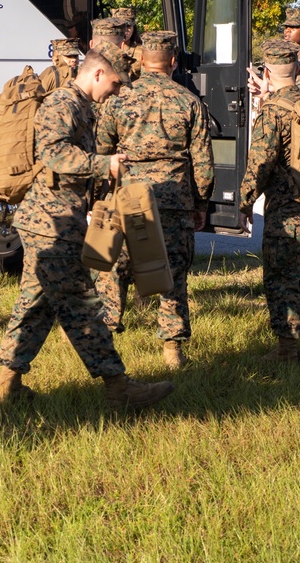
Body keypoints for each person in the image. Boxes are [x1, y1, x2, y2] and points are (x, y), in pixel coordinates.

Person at [0, 45, 175, 409]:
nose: (117, 89)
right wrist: (101, 163)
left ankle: (6, 385)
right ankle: (118, 387)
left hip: (54, 220)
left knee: (36, 305)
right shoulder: (64, 103)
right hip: (51, 224)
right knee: (82, 305)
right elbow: (53, 152)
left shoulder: (83, 107)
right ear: (95, 74)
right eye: (114, 82)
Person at [95, 31, 214, 369]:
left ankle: (104, 337)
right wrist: (201, 204)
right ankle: (172, 351)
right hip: (174, 199)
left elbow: (101, 151)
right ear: (174, 62)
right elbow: (203, 162)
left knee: (112, 267)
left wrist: (98, 198)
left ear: (142, 60)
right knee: (172, 272)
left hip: (127, 194)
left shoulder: (118, 98)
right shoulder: (189, 101)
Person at [238, 38, 300, 361]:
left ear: (266, 71)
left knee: (283, 277)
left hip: (285, 210)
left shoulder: (272, 111)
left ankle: (286, 350)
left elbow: (259, 164)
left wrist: (244, 203)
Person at [111, 7, 143, 80]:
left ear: (133, 28)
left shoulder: (141, 51)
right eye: (121, 26)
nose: (125, 30)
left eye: (128, 26)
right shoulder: (106, 50)